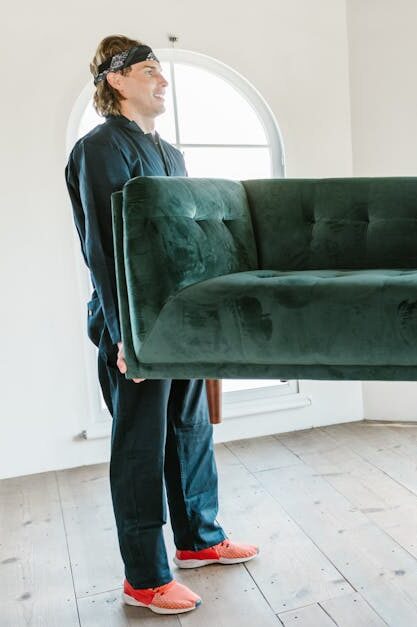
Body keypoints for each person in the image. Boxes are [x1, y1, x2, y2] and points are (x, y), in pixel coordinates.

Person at [65, 35, 258, 615]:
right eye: (150, 70)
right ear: (116, 79)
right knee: (140, 447)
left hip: (180, 319)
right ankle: (145, 578)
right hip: (134, 325)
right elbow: (103, 248)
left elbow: (188, 243)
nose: (163, 81)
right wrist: (126, 332)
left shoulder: (171, 155)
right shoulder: (98, 151)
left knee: (191, 428)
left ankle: (199, 540)